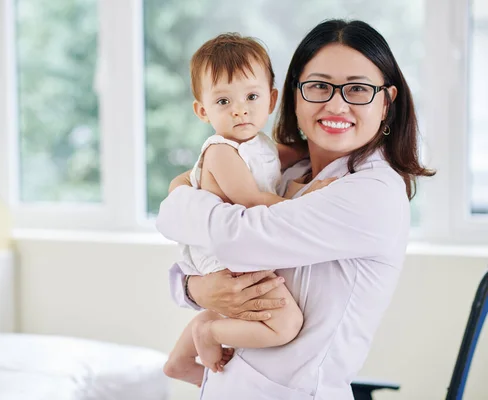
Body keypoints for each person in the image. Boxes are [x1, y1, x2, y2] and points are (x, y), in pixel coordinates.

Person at [156, 19, 435, 399]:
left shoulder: (374, 192)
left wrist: (179, 202)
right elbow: (184, 217)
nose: (336, 103)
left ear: (386, 102)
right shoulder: (287, 169)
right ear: (292, 95)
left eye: (358, 89)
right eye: (319, 86)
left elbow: (229, 237)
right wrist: (196, 287)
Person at [162, 33, 335, 388]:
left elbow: (302, 151)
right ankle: (208, 333)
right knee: (284, 324)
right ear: (202, 110)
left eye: (251, 97)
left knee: (233, 305)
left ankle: (179, 362)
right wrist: (307, 197)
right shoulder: (221, 151)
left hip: (237, 254)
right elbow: (251, 199)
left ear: (271, 99)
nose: (240, 109)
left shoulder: (261, 144)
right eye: (223, 100)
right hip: (226, 258)